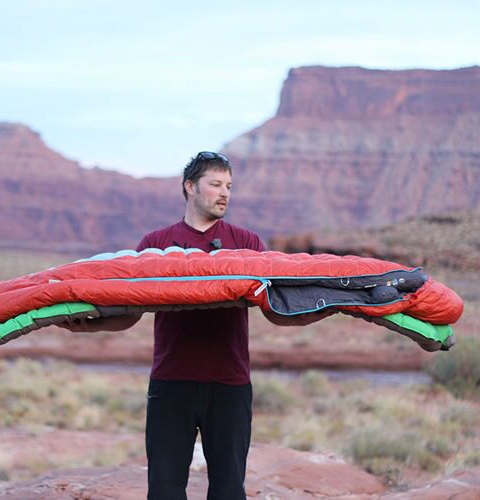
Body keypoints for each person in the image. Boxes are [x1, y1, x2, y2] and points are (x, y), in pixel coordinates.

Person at [67, 151, 327, 499]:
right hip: (172, 383)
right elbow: (131, 311)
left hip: (230, 384)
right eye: (216, 184)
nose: (225, 193)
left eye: (229, 186)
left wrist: (320, 310)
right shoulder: (155, 245)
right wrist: (89, 326)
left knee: (228, 490)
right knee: (165, 490)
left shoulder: (247, 244)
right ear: (190, 187)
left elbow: (273, 310)